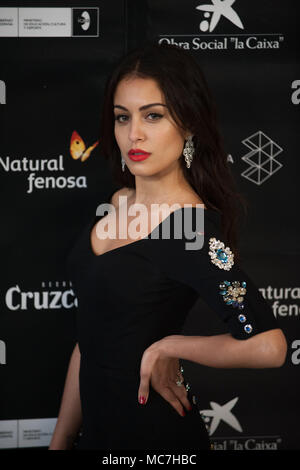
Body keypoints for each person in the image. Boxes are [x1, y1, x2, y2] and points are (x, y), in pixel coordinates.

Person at [49, 43, 287, 450]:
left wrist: (170, 347)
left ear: (189, 124)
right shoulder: (118, 201)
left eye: (153, 116)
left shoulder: (189, 228)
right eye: (123, 117)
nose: (133, 134)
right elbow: (90, 337)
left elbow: (268, 346)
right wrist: (61, 440)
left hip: (158, 441)